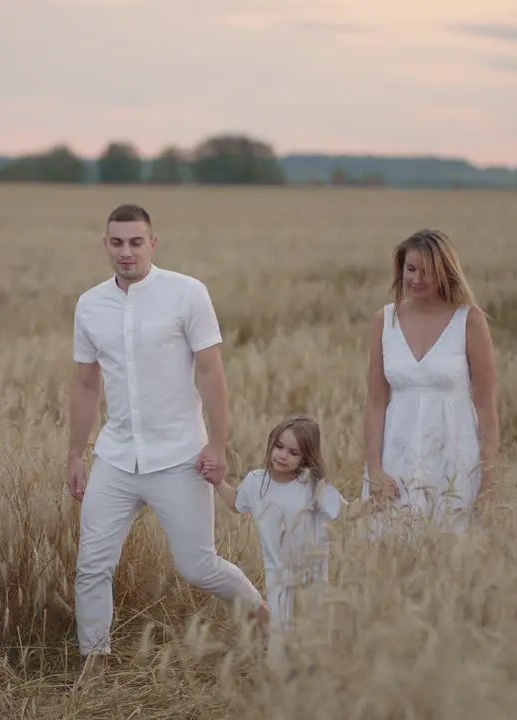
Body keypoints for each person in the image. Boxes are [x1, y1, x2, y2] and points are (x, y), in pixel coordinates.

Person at [66, 203, 269, 683]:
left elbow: (211, 370)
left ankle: (263, 616)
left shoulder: (186, 293)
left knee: (198, 566)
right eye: (116, 242)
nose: (126, 252)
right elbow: (85, 385)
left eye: (136, 242)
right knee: (92, 565)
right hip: (116, 458)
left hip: (180, 456)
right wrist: (75, 453)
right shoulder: (90, 304)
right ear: (106, 245)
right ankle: (94, 662)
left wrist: (217, 445)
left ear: (152, 243)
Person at [360, 228, 499, 539]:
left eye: (428, 271)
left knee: (454, 553)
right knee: (389, 551)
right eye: (411, 269)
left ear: (445, 272)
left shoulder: (470, 319)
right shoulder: (384, 321)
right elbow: (375, 401)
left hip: (456, 459)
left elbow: (486, 406)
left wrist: (488, 481)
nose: (417, 279)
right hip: (397, 457)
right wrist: (374, 469)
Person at [204, 413, 346, 637]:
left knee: (314, 632)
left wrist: (377, 502)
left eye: (293, 452)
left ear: (306, 457)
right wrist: (218, 482)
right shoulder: (256, 481)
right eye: (279, 446)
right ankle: (280, 669)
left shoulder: (312, 486)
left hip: (312, 574)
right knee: (281, 634)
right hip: (277, 572)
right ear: (272, 443)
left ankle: (315, 668)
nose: (283, 455)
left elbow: (345, 513)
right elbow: (236, 503)